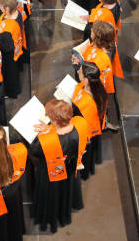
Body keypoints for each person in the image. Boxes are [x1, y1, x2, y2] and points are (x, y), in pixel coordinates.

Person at [28, 99, 88, 233]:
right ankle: (64, 213)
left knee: (52, 196)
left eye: (49, 116)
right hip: (71, 170)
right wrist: (49, 128)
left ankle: (49, 215)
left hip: (50, 176)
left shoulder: (47, 141)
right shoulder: (80, 123)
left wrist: (44, 134)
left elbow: (34, 152)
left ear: (55, 120)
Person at [71, 61, 109, 179]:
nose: (78, 72)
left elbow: (79, 125)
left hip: (86, 136)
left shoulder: (86, 105)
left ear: (86, 80)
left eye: (80, 71)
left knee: (85, 156)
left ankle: (83, 173)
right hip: (92, 128)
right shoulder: (98, 88)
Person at [0, 0, 26, 98]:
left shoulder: (9, 29)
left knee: (9, 74)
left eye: (1, 7)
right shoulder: (16, 12)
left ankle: (11, 92)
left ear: (7, 8)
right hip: (14, 46)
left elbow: (6, 47)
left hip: (9, 55)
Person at [72, 20, 117, 95]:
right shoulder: (95, 45)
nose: (91, 30)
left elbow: (94, 84)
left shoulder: (101, 60)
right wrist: (78, 61)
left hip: (91, 91)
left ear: (97, 37)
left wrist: (79, 68)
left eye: (93, 31)